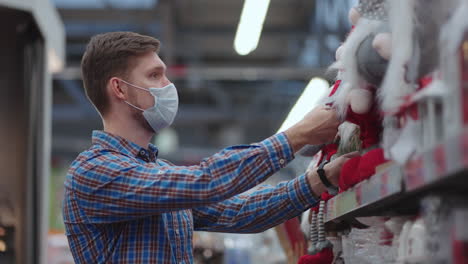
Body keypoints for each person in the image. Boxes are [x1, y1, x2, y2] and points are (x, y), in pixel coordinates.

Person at [62, 31, 355, 263]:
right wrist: (297, 136)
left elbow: (241, 212)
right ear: (120, 89)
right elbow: (207, 181)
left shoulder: (157, 172)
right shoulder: (94, 172)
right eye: (154, 75)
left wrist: (321, 179)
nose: (167, 85)